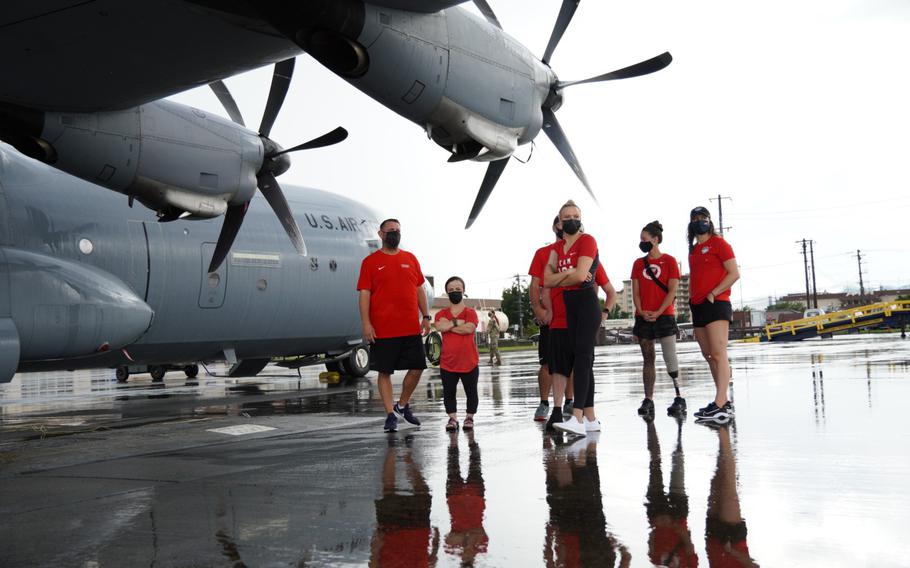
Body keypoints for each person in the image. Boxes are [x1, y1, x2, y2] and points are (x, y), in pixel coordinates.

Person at [357, 218, 432, 433]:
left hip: (410, 327)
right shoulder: (370, 262)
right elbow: (364, 294)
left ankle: (402, 405)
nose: (394, 233)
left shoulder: (410, 259)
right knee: (384, 372)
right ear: (380, 234)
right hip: (383, 328)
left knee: (417, 367)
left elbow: (419, 289)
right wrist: (366, 323)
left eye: (397, 230)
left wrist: (426, 316)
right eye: (390, 230)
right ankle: (390, 414)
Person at [545, 200, 603, 437]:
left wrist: (563, 275)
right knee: (583, 361)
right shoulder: (556, 249)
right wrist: (567, 275)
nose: (571, 220)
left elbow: (580, 277)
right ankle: (591, 417)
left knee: (582, 357)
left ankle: (577, 416)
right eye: (566, 217)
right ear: (559, 222)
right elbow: (545, 280)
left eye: (574, 216)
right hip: (570, 304)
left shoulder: (587, 240)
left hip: (586, 302)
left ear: (581, 218)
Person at [687, 207, 740, 423]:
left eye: (703, 218)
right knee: (708, 355)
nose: (700, 222)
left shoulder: (720, 244)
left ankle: (720, 403)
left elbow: (734, 273)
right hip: (697, 305)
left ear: (709, 221)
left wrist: (714, 292)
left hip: (716, 303)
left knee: (719, 353)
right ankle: (722, 401)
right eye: (696, 219)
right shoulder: (693, 250)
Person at [632, 220, 686, 417]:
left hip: (665, 316)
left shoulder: (670, 261)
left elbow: (672, 290)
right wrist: (641, 310)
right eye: (640, 240)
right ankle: (648, 398)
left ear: (655, 239)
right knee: (648, 358)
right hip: (643, 317)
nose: (642, 242)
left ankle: (679, 396)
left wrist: (660, 310)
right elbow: (635, 291)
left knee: (669, 356)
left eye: (645, 239)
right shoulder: (638, 263)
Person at [528, 216, 563, 421]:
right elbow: (534, 285)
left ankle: (569, 403)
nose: (566, 225)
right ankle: (543, 403)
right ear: (554, 227)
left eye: (575, 219)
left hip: (573, 315)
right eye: (562, 221)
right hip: (550, 316)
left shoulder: (582, 251)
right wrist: (538, 310)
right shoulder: (543, 253)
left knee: (574, 362)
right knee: (548, 363)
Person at [434, 276, 480, 431]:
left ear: (464, 291)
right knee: (448, 393)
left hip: (469, 362)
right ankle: (452, 419)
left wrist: (449, 325)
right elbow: (439, 327)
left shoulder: (471, 312)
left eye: (458, 290)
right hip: (448, 362)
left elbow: (469, 329)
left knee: (471, 392)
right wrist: (457, 323)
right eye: (451, 290)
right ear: (447, 292)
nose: (455, 292)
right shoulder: (440, 313)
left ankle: (469, 418)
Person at [444, 430, 488, 564]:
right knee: (475, 464)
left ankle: (454, 442)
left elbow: (449, 537)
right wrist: (467, 539)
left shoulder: (452, 549)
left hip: (455, 500)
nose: (467, 556)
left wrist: (466, 540)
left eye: (465, 559)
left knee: (452, 465)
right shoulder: (481, 547)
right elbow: (480, 532)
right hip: (476, 499)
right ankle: (472, 441)